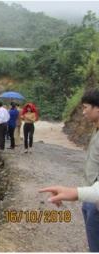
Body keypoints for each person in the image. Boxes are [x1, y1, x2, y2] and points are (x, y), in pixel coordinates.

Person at [39, 89, 99, 252]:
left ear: (97, 108)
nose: (83, 111)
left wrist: (76, 193)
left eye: (86, 107)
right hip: (90, 196)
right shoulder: (96, 128)